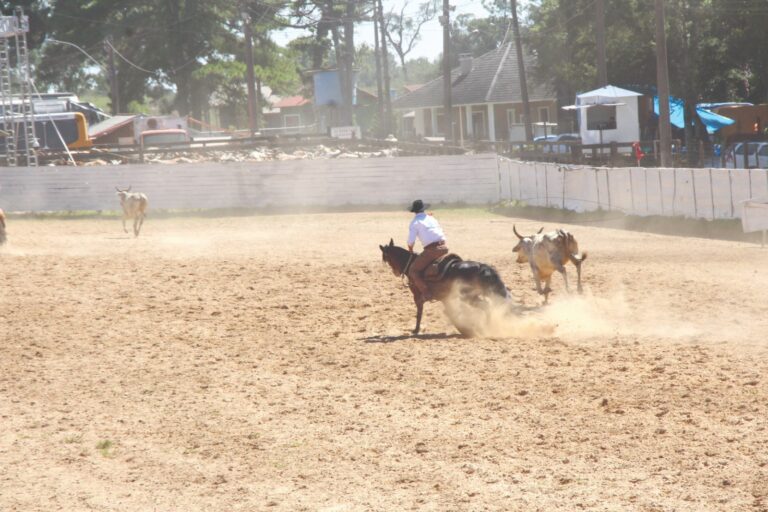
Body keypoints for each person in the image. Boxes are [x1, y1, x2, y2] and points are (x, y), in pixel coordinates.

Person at [407, 199, 449, 300]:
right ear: (423, 209)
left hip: (432, 250)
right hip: (444, 248)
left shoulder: (415, 222)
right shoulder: (432, 218)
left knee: (413, 271)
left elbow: (410, 242)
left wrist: (410, 250)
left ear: (414, 211)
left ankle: (427, 293)